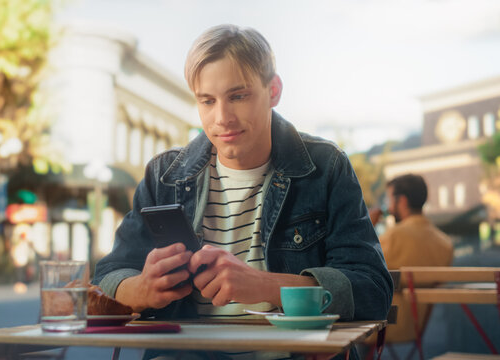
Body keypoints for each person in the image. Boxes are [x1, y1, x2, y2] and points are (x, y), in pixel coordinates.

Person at [93, 24, 393, 359]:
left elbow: (373, 290)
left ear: (274, 90)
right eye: (207, 101)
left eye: (238, 96)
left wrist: (262, 285)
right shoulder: (164, 176)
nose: (222, 118)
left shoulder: (326, 168)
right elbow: (108, 275)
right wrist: (141, 289)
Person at [368, 174, 453, 347]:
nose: (388, 207)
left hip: (380, 326)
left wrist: (368, 227)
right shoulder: (445, 244)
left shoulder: (392, 236)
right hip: (417, 327)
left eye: (390, 199)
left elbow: (360, 265)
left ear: (402, 201)